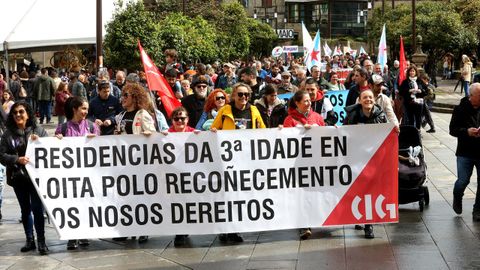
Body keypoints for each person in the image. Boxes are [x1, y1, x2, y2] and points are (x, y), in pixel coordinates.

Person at [211, 83, 265, 242]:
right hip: (227, 161)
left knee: (239, 196)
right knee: (226, 195)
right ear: (234, 95)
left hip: (246, 161)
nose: (243, 98)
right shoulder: (224, 111)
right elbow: (214, 129)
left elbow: (263, 130)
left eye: (246, 95)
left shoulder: (254, 111)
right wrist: (214, 131)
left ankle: (234, 230)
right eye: (240, 94)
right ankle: (224, 229)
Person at [0, 101, 49, 255]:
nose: (18, 115)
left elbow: (50, 150)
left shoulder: (38, 130)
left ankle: (41, 241)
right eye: (15, 113)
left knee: (37, 209)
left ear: (28, 113)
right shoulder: (8, 134)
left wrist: (42, 142)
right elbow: (1, 155)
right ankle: (30, 239)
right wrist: (16, 159)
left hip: (36, 178)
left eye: (21, 112)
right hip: (18, 178)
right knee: (25, 210)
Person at [55, 96, 100, 250]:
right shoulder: (62, 128)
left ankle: (84, 233)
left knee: (87, 203)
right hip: (70, 175)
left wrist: (96, 142)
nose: (85, 112)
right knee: (71, 205)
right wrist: (57, 141)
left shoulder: (92, 127)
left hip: (88, 173)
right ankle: (72, 235)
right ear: (74, 109)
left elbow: (102, 150)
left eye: (86, 109)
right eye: (83, 109)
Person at [114, 83, 156, 243]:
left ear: (135, 97)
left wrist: (148, 134)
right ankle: (127, 228)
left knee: (140, 197)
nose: (123, 98)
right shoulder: (122, 115)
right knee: (126, 197)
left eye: (126, 95)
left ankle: (143, 229)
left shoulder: (142, 114)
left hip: (140, 163)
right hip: (125, 163)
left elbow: (154, 135)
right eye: (122, 95)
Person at [281, 89, 325, 240]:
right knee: (301, 193)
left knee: (315, 191)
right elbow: (285, 141)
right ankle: (303, 224)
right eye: (305, 101)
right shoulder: (289, 120)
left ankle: (315, 218)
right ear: (297, 103)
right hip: (297, 164)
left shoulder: (317, 117)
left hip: (315, 162)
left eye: (309, 100)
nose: (309, 103)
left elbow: (326, 136)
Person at [344, 89, 388, 239]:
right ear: (360, 100)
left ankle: (368, 225)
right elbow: (344, 133)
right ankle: (360, 217)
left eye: (370, 97)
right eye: (365, 98)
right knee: (359, 189)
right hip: (357, 158)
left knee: (370, 191)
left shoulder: (381, 115)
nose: (368, 100)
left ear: (374, 100)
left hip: (374, 159)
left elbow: (387, 133)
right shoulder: (352, 115)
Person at [449, 83, 480, 221]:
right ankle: (457, 196)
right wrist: (466, 132)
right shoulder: (460, 109)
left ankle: (477, 210)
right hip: (465, 152)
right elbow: (452, 130)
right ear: (471, 96)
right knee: (463, 181)